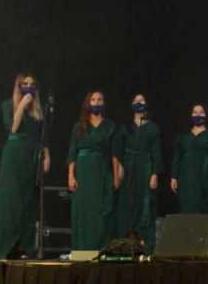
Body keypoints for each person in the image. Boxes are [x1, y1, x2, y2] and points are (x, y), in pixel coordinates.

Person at [0, 73, 49, 259]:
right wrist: (22, 105)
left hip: (31, 158)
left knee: (28, 202)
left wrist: (46, 155)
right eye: (25, 83)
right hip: (14, 156)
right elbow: (13, 128)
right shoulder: (8, 105)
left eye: (32, 83)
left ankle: (24, 247)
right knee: (10, 201)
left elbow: (42, 135)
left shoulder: (38, 110)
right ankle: (3, 248)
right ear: (18, 86)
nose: (29, 86)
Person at [68, 90, 121, 251]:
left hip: (102, 172)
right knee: (83, 211)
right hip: (83, 173)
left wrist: (116, 176)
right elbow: (72, 152)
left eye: (100, 99)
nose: (97, 102)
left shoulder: (110, 126)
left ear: (103, 103)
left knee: (101, 211)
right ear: (88, 103)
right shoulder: (79, 126)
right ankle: (82, 249)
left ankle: (100, 249)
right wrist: (71, 176)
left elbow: (115, 154)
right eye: (93, 99)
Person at [114, 93, 164, 249]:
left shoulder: (153, 128)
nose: (139, 103)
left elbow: (156, 152)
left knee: (145, 205)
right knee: (126, 204)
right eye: (136, 101)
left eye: (141, 100)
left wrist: (154, 173)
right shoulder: (125, 128)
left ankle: (146, 245)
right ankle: (125, 243)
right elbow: (118, 150)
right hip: (128, 169)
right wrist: (119, 167)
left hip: (145, 169)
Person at [171, 104, 208, 213]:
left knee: (203, 209)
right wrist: (174, 176)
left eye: (201, 112)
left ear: (206, 115)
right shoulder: (183, 136)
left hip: (205, 177)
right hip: (186, 178)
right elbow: (177, 157)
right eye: (195, 112)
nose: (198, 115)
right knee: (186, 208)